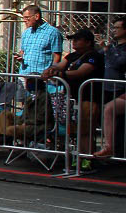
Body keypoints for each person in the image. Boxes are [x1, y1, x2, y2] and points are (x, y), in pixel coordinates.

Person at [45, 28, 103, 158]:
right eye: (73, 39)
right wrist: (51, 70)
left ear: (88, 42)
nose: (74, 42)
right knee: (74, 129)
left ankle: (87, 159)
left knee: (86, 130)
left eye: (77, 39)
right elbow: (59, 65)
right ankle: (76, 157)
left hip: (89, 97)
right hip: (72, 98)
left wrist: (61, 74)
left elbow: (81, 72)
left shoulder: (94, 56)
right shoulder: (71, 56)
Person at [90, 17, 125, 164]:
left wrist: (106, 49)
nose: (114, 31)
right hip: (107, 87)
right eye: (113, 28)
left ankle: (112, 148)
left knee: (112, 112)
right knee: (106, 115)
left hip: (120, 87)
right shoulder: (113, 46)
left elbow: (119, 62)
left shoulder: (118, 49)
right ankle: (111, 151)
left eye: (117, 28)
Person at [15, 4, 62, 77]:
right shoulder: (26, 32)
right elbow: (23, 51)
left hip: (42, 75)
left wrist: (51, 72)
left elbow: (57, 55)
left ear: (36, 16)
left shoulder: (53, 32)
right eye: (23, 18)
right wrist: (20, 56)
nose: (24, 20)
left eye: (27, 17)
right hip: (24, 73)